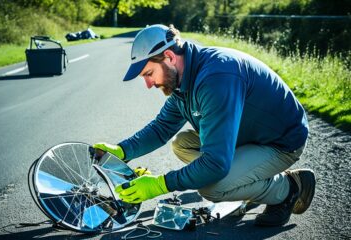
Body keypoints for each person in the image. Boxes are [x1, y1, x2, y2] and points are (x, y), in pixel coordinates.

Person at [93, 24, 316, 227]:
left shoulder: (215, 78)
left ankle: (288, 188)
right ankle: (250, 178)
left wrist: (159, 185)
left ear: (169, 57)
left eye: (149, 74)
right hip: (245, 136)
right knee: (181, 144)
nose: (149, 84)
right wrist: (122, 150)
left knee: (212, 187)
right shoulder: (183, 79)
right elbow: (161, 128)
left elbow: (215, 165)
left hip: (280, 143)